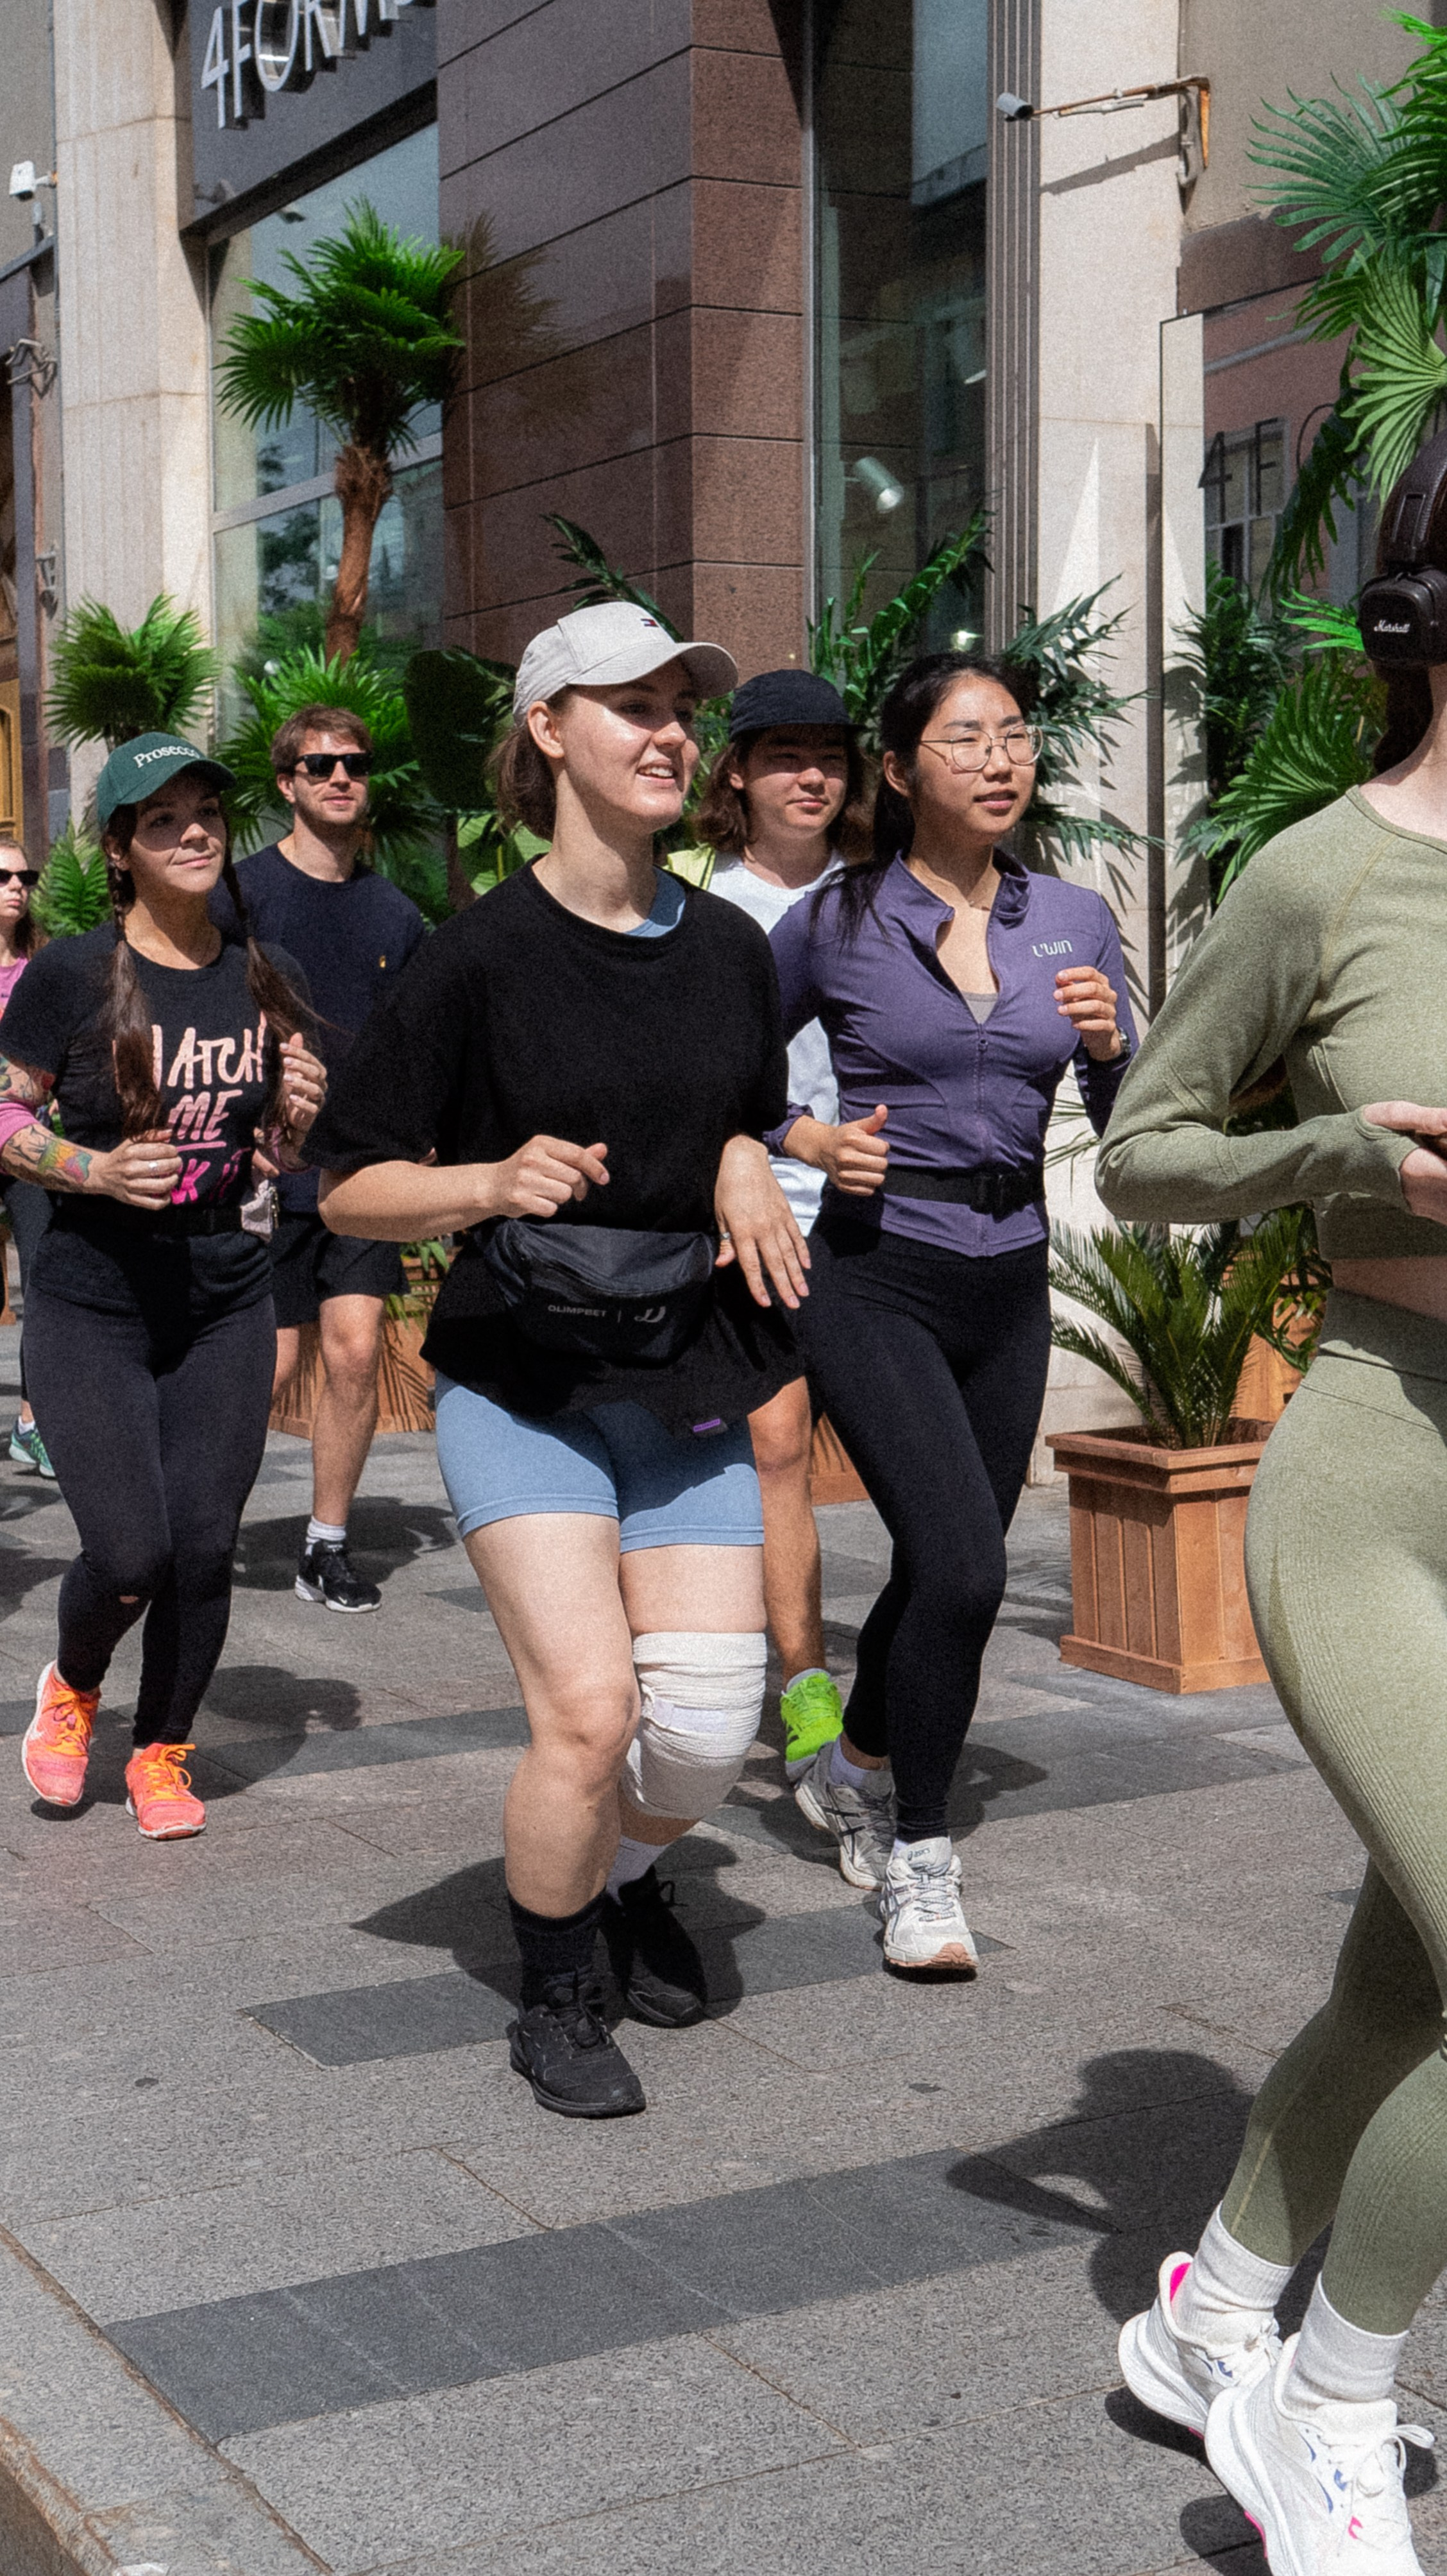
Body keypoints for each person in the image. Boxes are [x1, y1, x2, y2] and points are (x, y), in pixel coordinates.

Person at [310, 600, 809, 2120]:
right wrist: (480, 1183)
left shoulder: (727, 943)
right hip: (520, 1374)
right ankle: (555, 1987)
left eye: (680, 707)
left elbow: (740, 1105)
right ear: (547, 733)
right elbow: (346, 1181)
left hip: (685, 1364)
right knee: (591, 1713)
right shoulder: (475, 957)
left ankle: (631, 1876)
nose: (669, 732)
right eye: (630, 705)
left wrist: (739, 1149)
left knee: (712, 1721)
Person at [1101, 450, 1447, 2574]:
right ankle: (1323, 2397)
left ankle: (1216, 2298)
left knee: (1414, 1976)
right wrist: (1334, 1152)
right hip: (1370, 1473)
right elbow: (1140, 1145)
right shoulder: (1322, 874)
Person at [770, 650, 1136, 1972]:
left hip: (1009, 1278)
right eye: (970, 736)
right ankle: (920, 1860)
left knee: (939, 1566)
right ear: (901, 765)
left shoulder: (1077, 922)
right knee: (973, 1568)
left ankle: (859, 1751)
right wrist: (808, 1136)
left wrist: (1108, 1049)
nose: (1002, 758)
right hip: (874, 1270)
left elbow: (1129, 1120)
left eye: (1019, 736)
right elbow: (717, 1066)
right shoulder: (833, 921)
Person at [3, 733, 325, 1840]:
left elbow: (271, 1152)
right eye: (162, 820)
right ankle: (74, 1687)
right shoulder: (70, 973)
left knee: (202, 1542)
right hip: (93, 1298)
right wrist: (88, 1166)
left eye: (204, 813)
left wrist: (294, 1115)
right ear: (119, 850)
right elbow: (3, 1111)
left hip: (225, 1295)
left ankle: (161, 1746)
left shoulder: (258, 971)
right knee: (129, 1548)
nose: (192, 832)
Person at [695, 668, 868, 1781]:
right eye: (783, 755)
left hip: (878, 1228)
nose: (811, 775)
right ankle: (805, 1684)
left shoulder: (885, 894)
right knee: (776, 1447)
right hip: (751, 1228)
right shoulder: (699, 904)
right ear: (739, 775)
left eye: (829, 757)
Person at [213, 706, 425, 1614]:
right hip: (264, 1168)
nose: (342, 777)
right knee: (269, 1360)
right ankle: (206, 1528)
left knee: (353, 1351)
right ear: (288, 784)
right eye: (322, 765)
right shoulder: (241, 895)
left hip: (363, 1171)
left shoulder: (394, 910)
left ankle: (325, 1545)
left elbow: (418, 1040)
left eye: (356, 764)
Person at [0, 836, 55, 1476]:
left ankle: (33, 1422)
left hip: (29, 1145)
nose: (18, 886)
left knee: (46, 1281)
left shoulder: (44, 966)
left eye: (25, 876)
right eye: (5, 876)